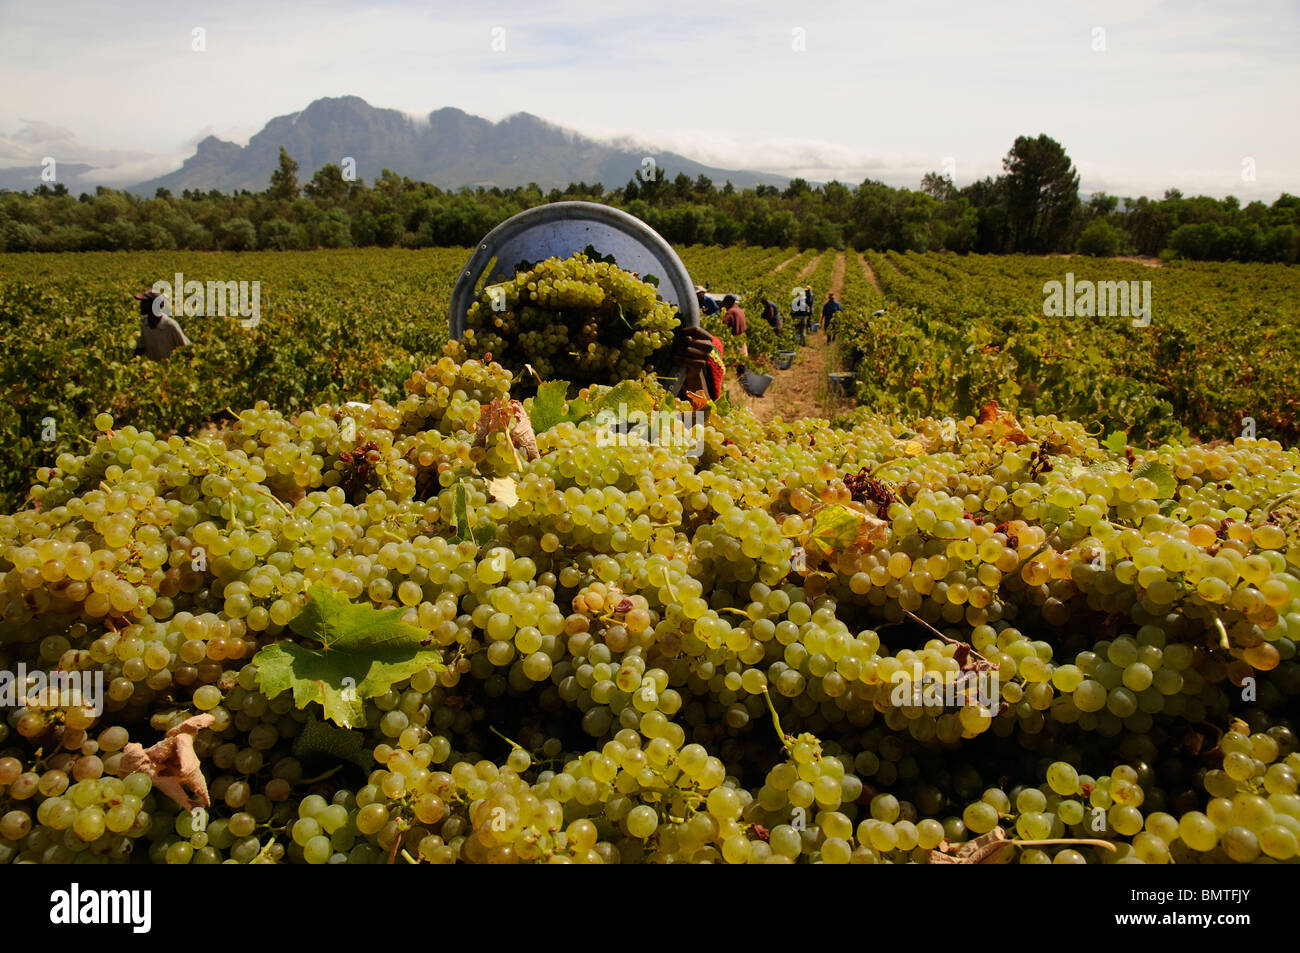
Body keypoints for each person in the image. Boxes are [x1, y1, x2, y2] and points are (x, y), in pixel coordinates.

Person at [132, 291, 190, 361]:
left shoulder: (169, 325)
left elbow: (186, 349)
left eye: (144, 302)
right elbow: (140, 347)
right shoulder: (145, 324)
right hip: (154, 369)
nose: (141, 305)